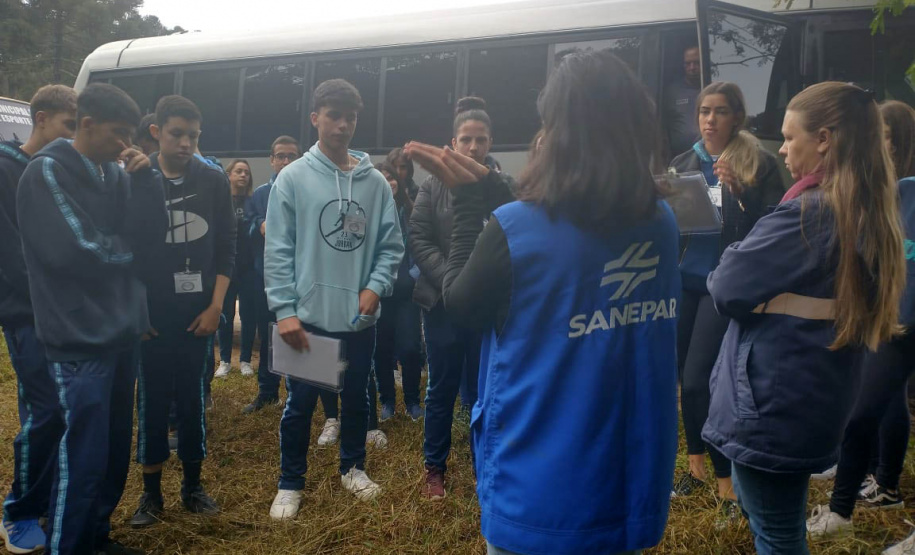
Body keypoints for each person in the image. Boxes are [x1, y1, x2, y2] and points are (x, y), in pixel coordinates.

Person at [405, 49, 680, 555]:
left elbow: (460, 304)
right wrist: (491, 189)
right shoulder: (660, 222)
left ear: (556, 131)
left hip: (537, 492)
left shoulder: (516, 230)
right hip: (627, 486)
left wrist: (471, 205)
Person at [702, 81, 905, 555]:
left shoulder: (808, 214)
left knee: (775, 532)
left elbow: (727, 284)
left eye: (791, 137)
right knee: (779, 522)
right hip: (814, 392)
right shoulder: (867, 206)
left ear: (825, 139)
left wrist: (735, 249)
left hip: (771, 398)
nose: (784, 150)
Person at [16, 82, 168, 555]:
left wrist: (148, 181)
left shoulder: (118, 174)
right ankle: (70, 545)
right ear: (86, 124)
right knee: (80, 453)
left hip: (119, 331)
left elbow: (150, 239)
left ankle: (96, 535)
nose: (126, 146)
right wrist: (134, 254)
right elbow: (75, 250)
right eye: (118, 134)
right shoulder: (45, 173)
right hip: (77, 334)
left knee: (111, 448)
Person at [265, 79, 403, 518]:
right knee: (300, 402)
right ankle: (290, 482)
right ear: (315, 118)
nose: (343, 125)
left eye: (351, 117)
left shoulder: (375, 183)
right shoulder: (292, 178)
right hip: (307, 316)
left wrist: (375, 286)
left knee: (357, 395)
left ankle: (352, 467)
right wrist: (285, 311)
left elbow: (390, 244)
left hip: (358, 315)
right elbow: (279, 249)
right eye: (334, 115)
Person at [669, 82, 784, 509]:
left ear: (737, 117)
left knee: (701, 379)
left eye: (719, 112)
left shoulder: (760, 163)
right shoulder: (684, 162)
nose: (710, 120)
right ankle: (696, 468)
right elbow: (673, 225)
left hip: (725, 285)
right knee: (687, 381)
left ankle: (725, 482)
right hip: (684, 281)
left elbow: (775, 226)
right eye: (703, 111)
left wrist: (744, 194)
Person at [806, 100, 915, 541]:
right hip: (896, 323)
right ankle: (841, 511)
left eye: (883, 137)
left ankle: (887, 489)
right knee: (860, 412)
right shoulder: (900, 190)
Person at [130, 95, 235, 529]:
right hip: (151, 319)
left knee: (192, 400)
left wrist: (216, 307)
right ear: (156, 132)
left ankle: (193, 485)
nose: (186, 143)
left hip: (198, 317)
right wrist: (136, 313)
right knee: (151, 402)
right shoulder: (136, 178)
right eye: (177, 134)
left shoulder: (213, 180)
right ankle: (150, 493)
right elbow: (125, 250)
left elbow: (228, 248)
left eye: (193, 135)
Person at [410, 96, 507, 499]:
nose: (472, 147)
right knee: (442, 390)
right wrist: (452, 279)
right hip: (440, 305)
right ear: (453, 141)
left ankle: (485, 465)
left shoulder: (502, 188)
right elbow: (418, 238)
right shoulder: (432, 187)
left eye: (480, 139)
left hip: (485, 307)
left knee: (485, 391)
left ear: (489, 143)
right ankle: (435, 468)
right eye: (465, 139)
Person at [0, 84, 76, 555]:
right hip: (28, 312)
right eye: (69, 125)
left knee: (60, 411)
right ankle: (18, 511)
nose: (73, 136)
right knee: (45, 409)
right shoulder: (7, 169)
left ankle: (49, 498)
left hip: (65, 314)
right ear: (41, 118)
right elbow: (12, 253)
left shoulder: (59, 171)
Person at [241, 136, 341, 435]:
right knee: (269, 334)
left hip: (308, 282)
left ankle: (328, 413)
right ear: (271, 160)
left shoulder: (313, 188)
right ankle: (267, 391)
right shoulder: (260, 193)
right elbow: (249, 223)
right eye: (280, 156)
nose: (285, 162)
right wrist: (259, 225)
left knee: (313, 341)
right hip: (269, 279)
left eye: (291, 156)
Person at [366, 162, 425, 438]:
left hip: (407, 294)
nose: (387, 181)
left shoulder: (412, 212)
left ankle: (413, 400)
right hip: (378, 295)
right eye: (382, 177)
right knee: (381, 350)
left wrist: (412, 276)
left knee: (411, 348)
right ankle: (387, 401)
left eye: (391, 177)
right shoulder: (365, 212)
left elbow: (424, 248)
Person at [214, 159, 257, 378]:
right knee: (225, 314)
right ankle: (224, 361)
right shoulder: (221, 201)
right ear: (229, 175)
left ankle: (246, 360)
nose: (243, 175)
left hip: (248, 267)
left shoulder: (253, 201)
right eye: (238, 171)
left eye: (246, 173)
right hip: (226, 267)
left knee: (249, 315)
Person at [665, 44, 702, 157]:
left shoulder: (712, 89)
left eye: (696, 63)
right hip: (678, 158)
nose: (692, 67)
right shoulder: (672, 92)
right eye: (688, 63)